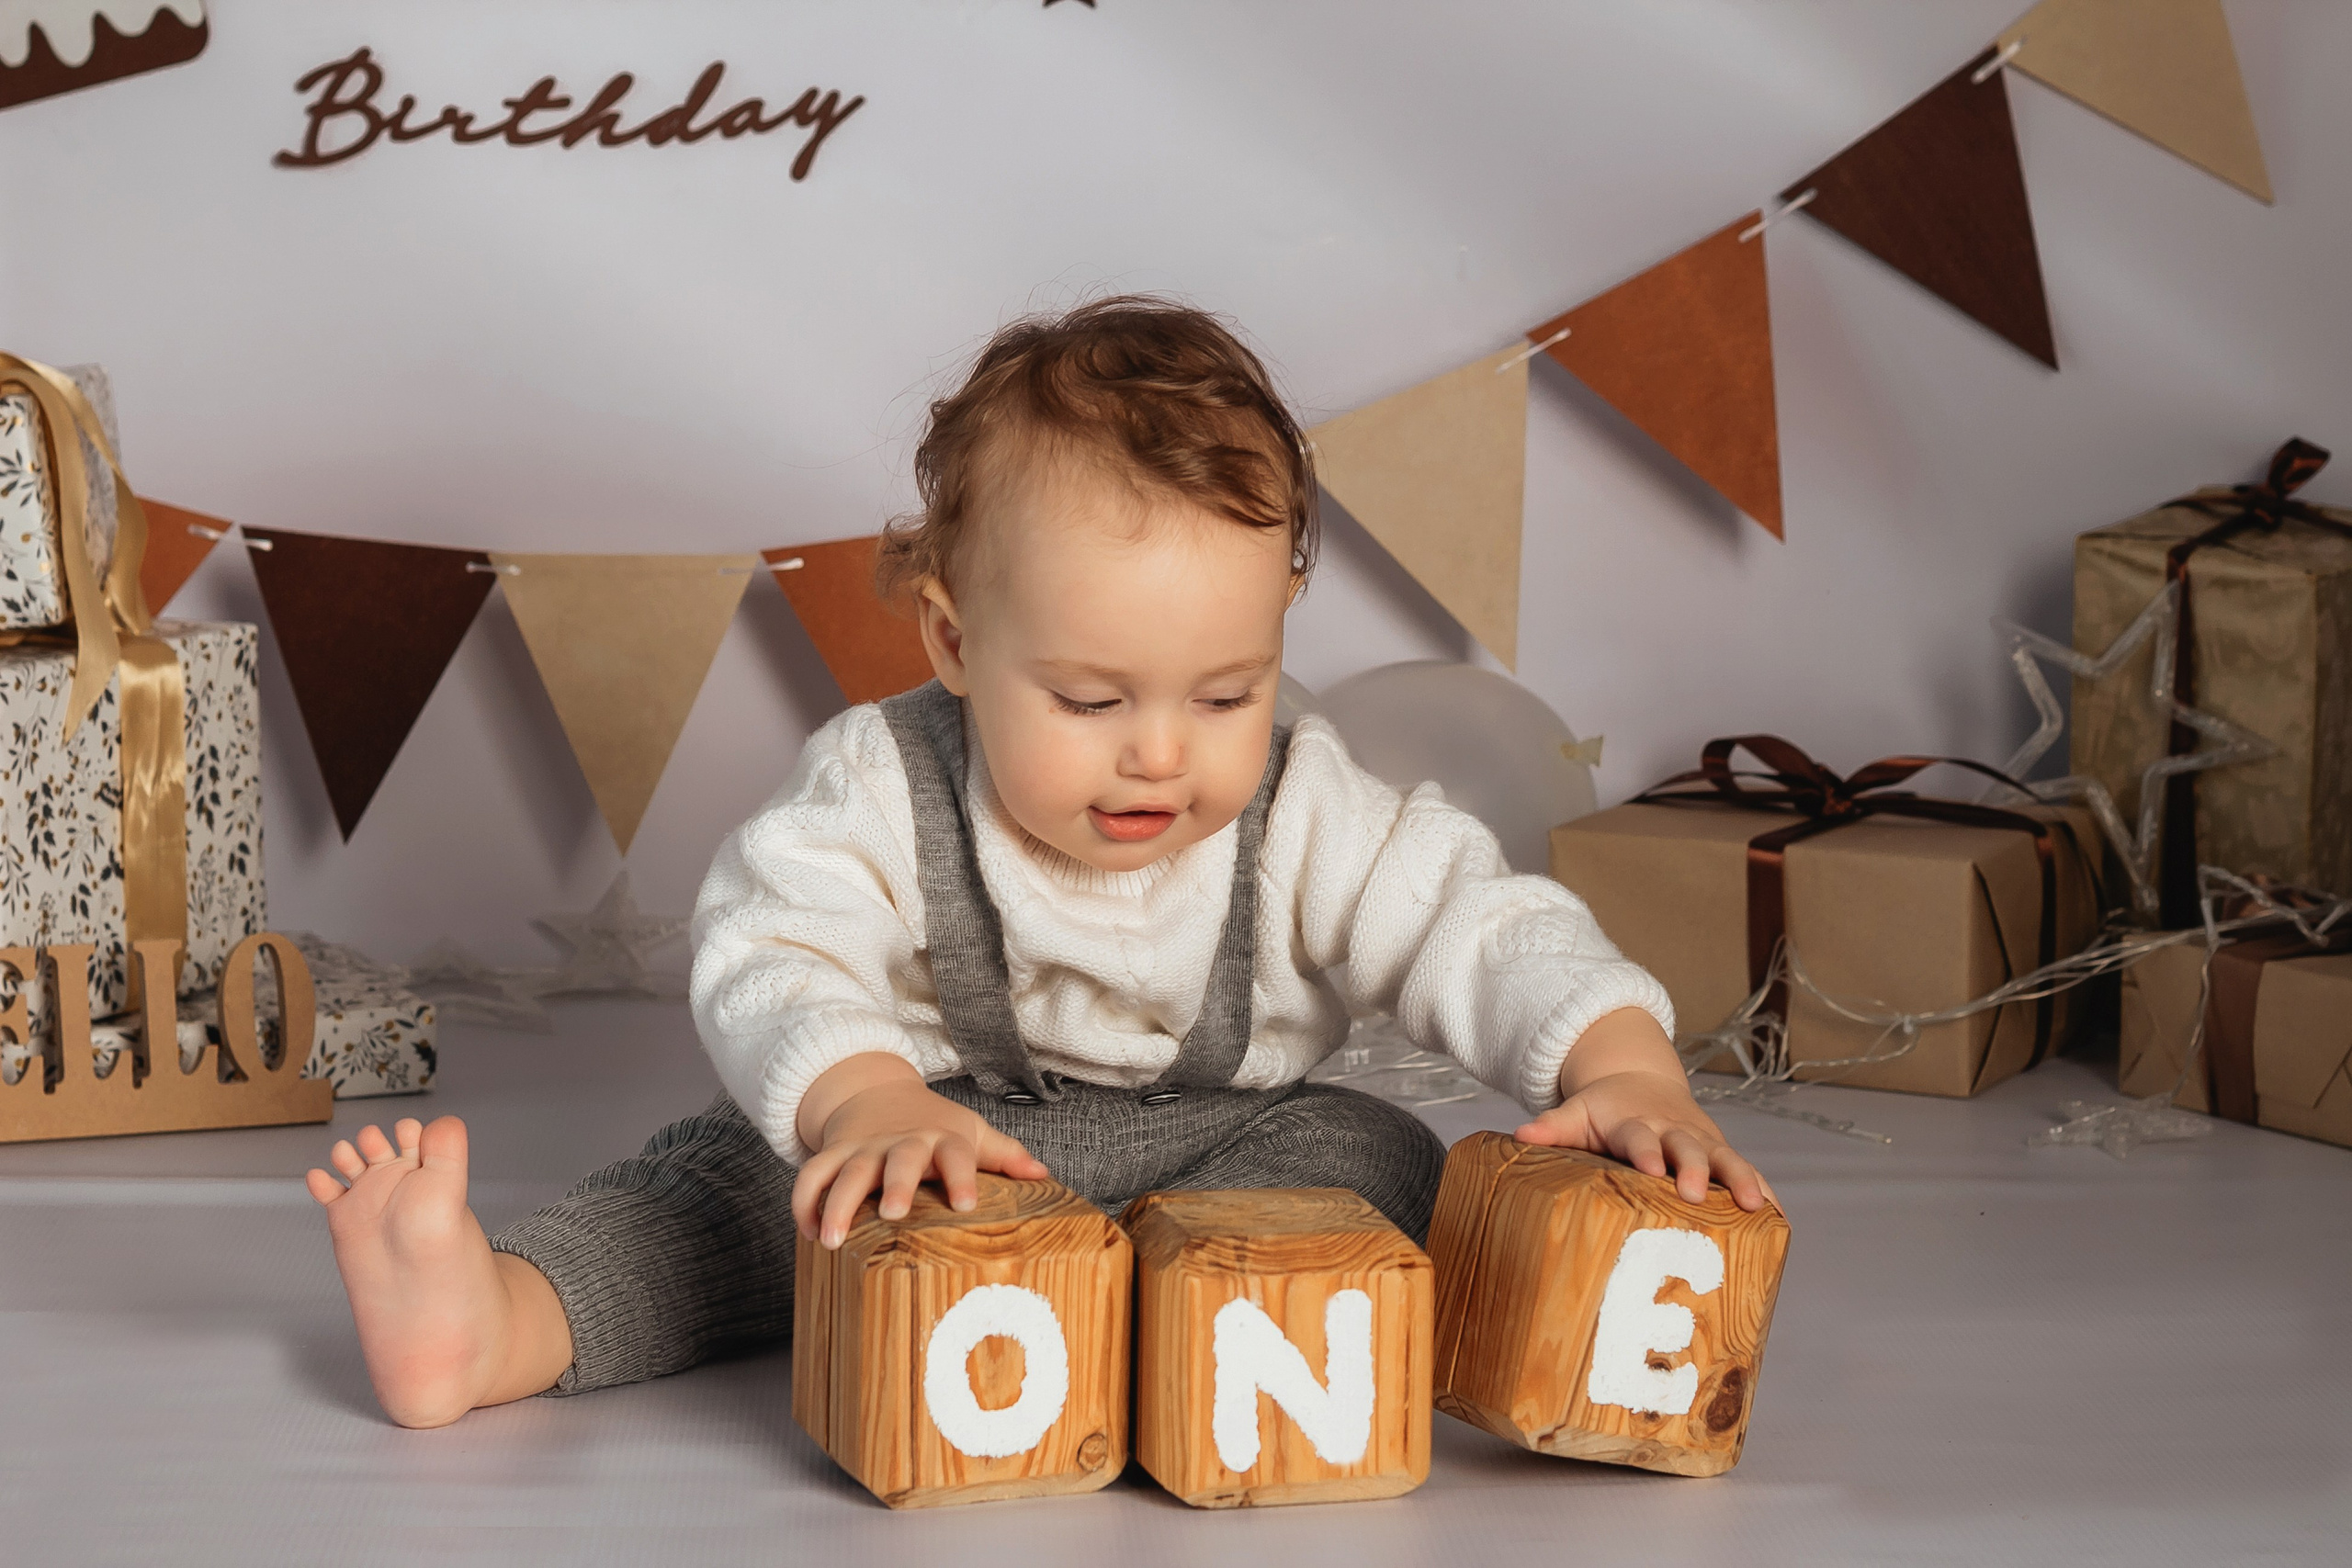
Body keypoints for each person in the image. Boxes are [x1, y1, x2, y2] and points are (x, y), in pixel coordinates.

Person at [306, 296, 1773, 1430]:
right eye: (1089, 700)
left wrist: (1622, 1063)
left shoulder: (1305, 803)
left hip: (1223, 1149)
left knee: (1380, 1156)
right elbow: (773, 943)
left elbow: (1474, 917)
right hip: (942, 1150)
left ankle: (1195, 1339)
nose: (1161, 755)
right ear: (954, 641)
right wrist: (865, 1101)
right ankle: (493, 1322)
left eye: (1225, 695)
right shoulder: (885, 779)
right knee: (729, 1200)